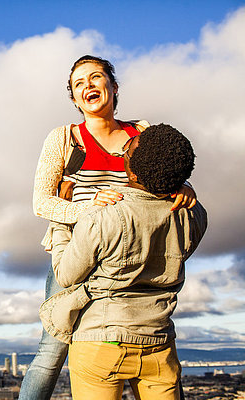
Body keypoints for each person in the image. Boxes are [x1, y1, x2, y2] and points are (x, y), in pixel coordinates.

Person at [20, 55, 197, 400]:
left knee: (147, 333)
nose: (88, 86)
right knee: (52, 353)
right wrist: (89, 211)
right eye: (78, 83)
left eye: (96, 77)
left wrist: (185, 187)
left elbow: (167, 173)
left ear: (114, 87)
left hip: (131, 251)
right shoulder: (64, 138)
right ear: (73, 98)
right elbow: (41, 202)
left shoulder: (141, 133)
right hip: (75, 249)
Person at [39, 123, 207, 399]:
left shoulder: (102, 217)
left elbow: (65, 274)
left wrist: (61, 216)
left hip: (99, 342)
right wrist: (183, 186)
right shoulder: (194, 214)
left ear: (133, 170)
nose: (124, 147)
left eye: (129, 147)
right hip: (160, 342)